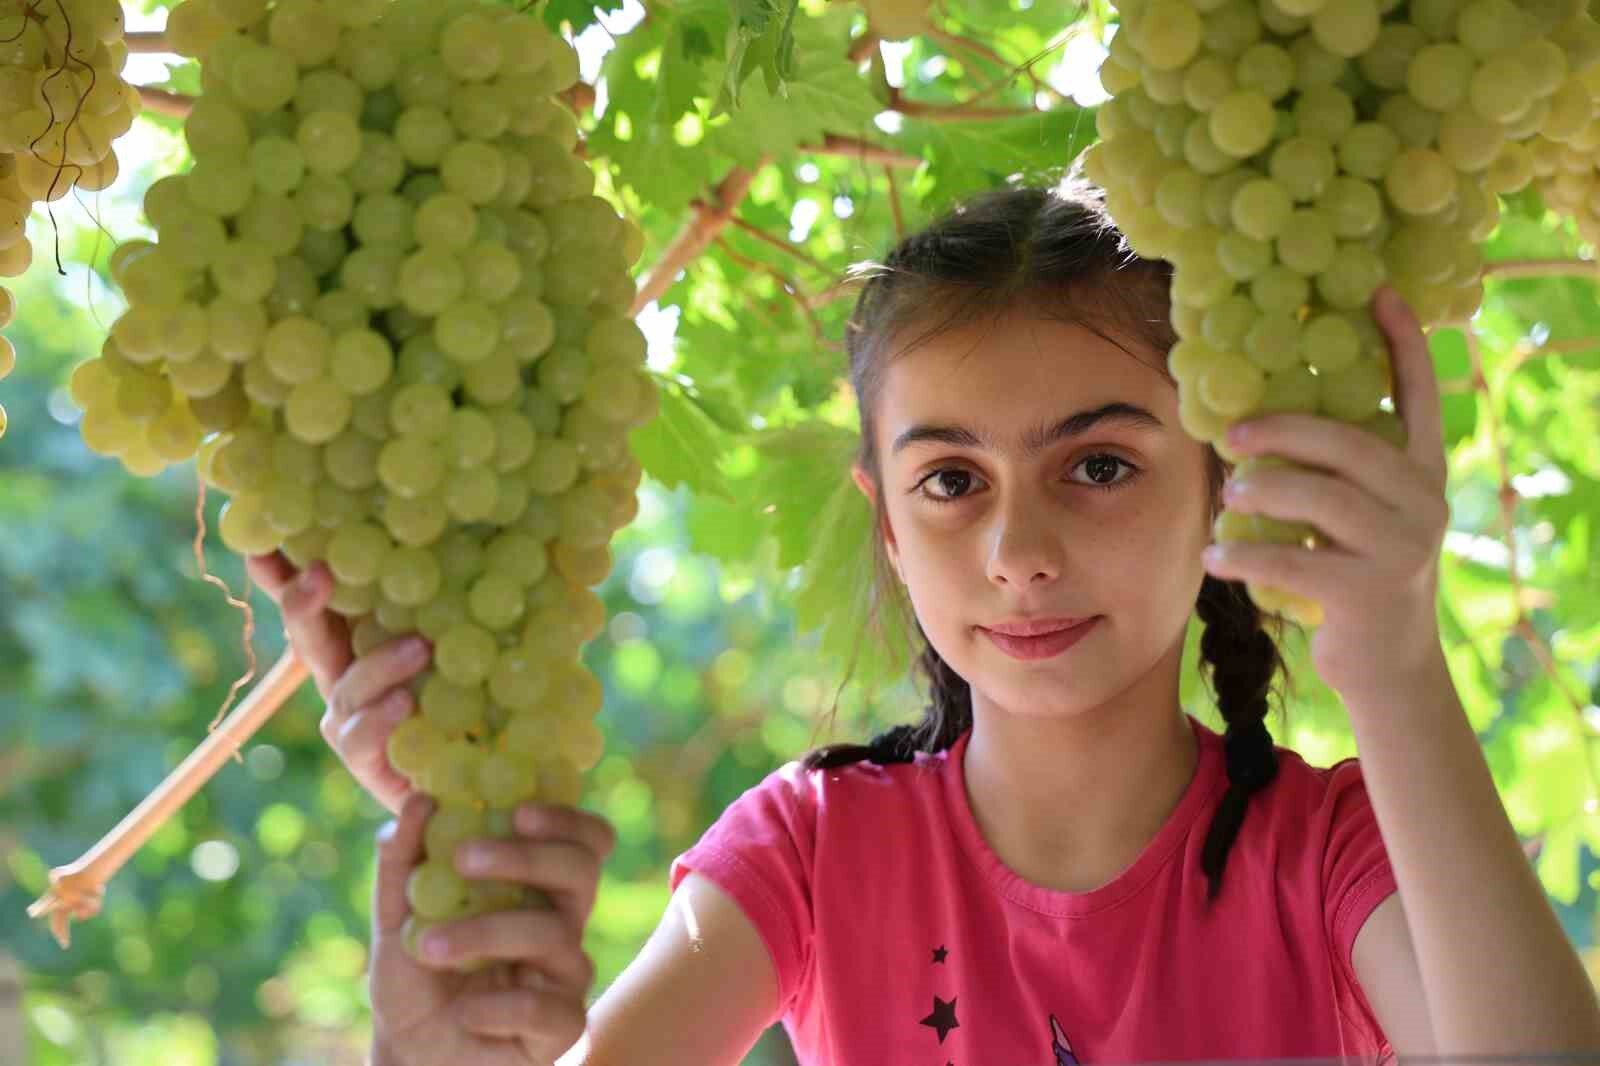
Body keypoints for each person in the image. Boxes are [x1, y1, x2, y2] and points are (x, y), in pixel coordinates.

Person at [249, 177, 1600, 1064]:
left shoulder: (1334, 848)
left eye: (1101, 463)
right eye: (952, 481)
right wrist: (436, 1009)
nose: (1018, 550)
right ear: (887, 523)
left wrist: (1394, 663)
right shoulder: (809, 846)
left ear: (1218, 486)